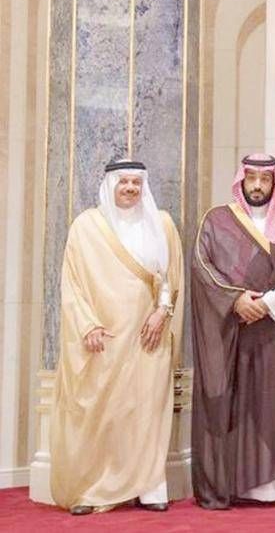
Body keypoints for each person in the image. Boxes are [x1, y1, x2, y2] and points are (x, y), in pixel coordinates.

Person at [50, 160, 183, 515]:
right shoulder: (87, 227)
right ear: (110, 185)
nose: (130, 188)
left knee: (146, 411)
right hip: (103, 339)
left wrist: (162, 312)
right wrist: (87, 325)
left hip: (148, 336)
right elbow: (71, 283)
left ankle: (149, 486)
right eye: (123, 182)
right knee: (102, 413)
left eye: (136, 183)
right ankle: (93, 489)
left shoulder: (161, 224)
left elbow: (169, 278)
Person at [190, 153, 275, 509]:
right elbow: (202, 267)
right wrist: (235, 300)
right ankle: (236, 484)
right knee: (238, 406)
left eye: (265, 179)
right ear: (241, 181)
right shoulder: (217, 220)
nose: (258, 185)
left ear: (274, 182)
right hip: (234, 332)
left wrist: (269, 303)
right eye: (251, 178)